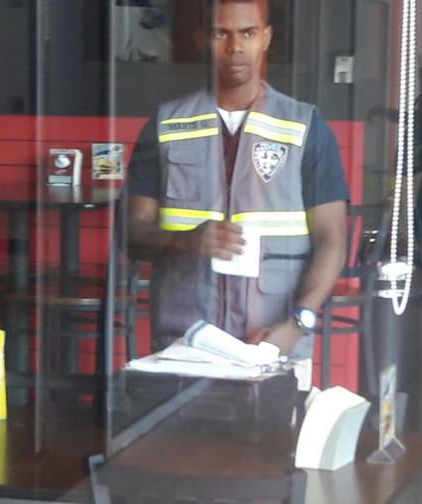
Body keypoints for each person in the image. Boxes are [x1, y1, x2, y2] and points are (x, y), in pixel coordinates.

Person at [126, 0, 349, 358]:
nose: (235, 47)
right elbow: (131, 233)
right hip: (184, 341)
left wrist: (298, 323)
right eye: (220, 33)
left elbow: (332, 239)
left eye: (248, 33)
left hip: (273, 342)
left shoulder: (305, 128)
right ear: (201, 40)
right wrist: (181, 241)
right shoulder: (165, 126)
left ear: (265, 38)